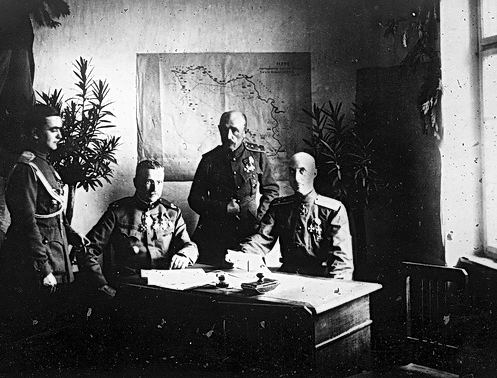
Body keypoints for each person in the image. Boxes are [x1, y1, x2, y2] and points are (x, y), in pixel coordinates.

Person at [0, 104, 88, 294]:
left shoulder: (46, 166)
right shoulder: (27, 169)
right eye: (53, 130)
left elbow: (52, 216)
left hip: (54, 258)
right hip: (32, 265)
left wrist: (72, 234)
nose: (60, 136)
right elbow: (26, 222)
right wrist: (43, 269)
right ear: (35, 133)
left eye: (60, 130)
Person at [79, 159, 199, 297]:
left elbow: (189, 245)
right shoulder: (117, 213)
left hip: (165, 288)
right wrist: (101, 284)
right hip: (130, 288)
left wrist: (184, 255)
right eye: (149, 182)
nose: (155, 188)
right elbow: (86, 250)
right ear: (136, 182)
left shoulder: (172, 213)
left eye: (159, 182)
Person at [231, 151, 354, 279]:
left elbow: (341, 263)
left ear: (314, 173)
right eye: (291, 171)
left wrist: (336, 286)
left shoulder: (333, 210)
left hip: (321, 278)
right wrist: (240, 253)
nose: (296, 178)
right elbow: (262, 238)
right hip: (289, 276)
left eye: (302, 171)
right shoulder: (280, 207)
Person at [188, 110, 278, 264]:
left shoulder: (257, 156)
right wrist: (223, 207)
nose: (229, 136)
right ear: (219, 129)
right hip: (215, 233)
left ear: (245, 132)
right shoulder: (209, 160)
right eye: (224, 130)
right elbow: (194, 199)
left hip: (249, 232)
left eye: (235, 130)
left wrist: (260, 218)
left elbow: (271, 191)